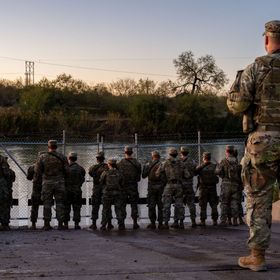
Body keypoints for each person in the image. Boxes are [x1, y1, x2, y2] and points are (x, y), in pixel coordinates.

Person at [227, 20, 280, 271]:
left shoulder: (256, 67)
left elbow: (237, 104)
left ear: (266, 40)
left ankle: (257, 257)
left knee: (259, 199)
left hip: (264, 142)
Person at [34, 140, 69, 230]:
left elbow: (37, 172)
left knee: (47, 204)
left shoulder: (42, 157)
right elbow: (67, 171)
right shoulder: (63, 157)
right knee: (60, 203)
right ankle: (60, 224)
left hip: (47, 183)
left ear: (48, 147)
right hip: (59, 183)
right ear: (56, 147)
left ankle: (46, 224)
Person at [156, 147, 186, 229]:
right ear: (176, 154)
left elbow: (157, 174)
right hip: (179, 185)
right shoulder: (181, 163)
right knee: (179, 204)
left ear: (169, 154)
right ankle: (179, 222)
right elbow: (187, 175)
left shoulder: (165, 162)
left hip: (169, 185)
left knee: (166, 204)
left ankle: (166, 223)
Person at [215, 145, 242, 226]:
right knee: (234, 202)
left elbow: (217, 172)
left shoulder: (223, 161)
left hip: (226, 184)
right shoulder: (237, 161)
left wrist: (222, 173)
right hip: (235, 185)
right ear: (233, 152)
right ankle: (235, 220)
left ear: (226, 151)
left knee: (224, 203)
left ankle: (223, 220)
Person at [117, 146, 141, 229]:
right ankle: (135, 223)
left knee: (122, 205)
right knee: (134, 204)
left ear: (125, 153)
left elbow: (118, 175)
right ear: (132, 152)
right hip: (133, 186)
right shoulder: (136, 163)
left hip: (123, 187)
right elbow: (139, 175)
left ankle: (121, 224)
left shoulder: (120, 163)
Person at [99, 158, 126, 231]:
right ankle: (121, 225)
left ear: (109, 164)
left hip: (107, 193)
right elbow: (122, 183)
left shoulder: (105, 172)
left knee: (106, 209)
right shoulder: (119, 173)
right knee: (118, 209)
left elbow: (101, 182)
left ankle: (104, 225)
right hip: (117, 193)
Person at [142, 150, 166, 230]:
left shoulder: (148, 164)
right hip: (161, 187)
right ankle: (160, 223)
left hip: (151, 187)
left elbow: (144, 176)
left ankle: (152, 223)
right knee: (161, 205)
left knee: (151, 205)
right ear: (159, 157)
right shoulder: (163, 164)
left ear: (152, 157)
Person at [195, 152, 219, 226]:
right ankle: (215, 220)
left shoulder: (201, 167)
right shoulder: (214, 166)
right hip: (212, 188)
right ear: (210, 158)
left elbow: (194, 172)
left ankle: (203, 221)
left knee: (203, 205)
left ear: (203, 158)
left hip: (203, 188)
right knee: (214, 204)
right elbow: (218, 176)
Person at [176, 146, 197, 228]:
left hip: (180, 185)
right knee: (191, 203)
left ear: (180, 152)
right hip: (189, 184)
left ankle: (181, 222)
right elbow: (195, 172)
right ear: (188, 153)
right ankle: (193, 221)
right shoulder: (192, 162)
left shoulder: (178, 162)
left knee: (179, 203)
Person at [88, 151, 110, 230]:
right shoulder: (107, 167)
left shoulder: (93, 168)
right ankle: (107, 224)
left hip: (96, 188)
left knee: (95, 206)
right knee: (106, 206)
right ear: (103, 159)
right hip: (105, 188)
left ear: (97, 159)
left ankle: (94, 224)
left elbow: (90, 173)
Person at [64, 152, 85, 230]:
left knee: (66, 207)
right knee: (77, 207)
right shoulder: (80, 168)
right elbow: (83, 178)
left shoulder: (65, 168)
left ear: (69, 158)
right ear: (76, 159)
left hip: (67, 191)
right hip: (77, 190)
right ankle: (76, 224)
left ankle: (65, 224)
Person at [27, 157, 43, 230]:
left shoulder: (33, 167)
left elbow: (29, 178)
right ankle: (47, 223)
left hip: (36, 188)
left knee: (34, 206)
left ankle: (33, 224)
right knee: (47, 205)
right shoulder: (48, 166)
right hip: (46, 188)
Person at [0, 155, 15, 231]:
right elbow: (7, 175)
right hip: (3, 187)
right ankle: (5, 224)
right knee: (4, 205)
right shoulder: (2, 159)